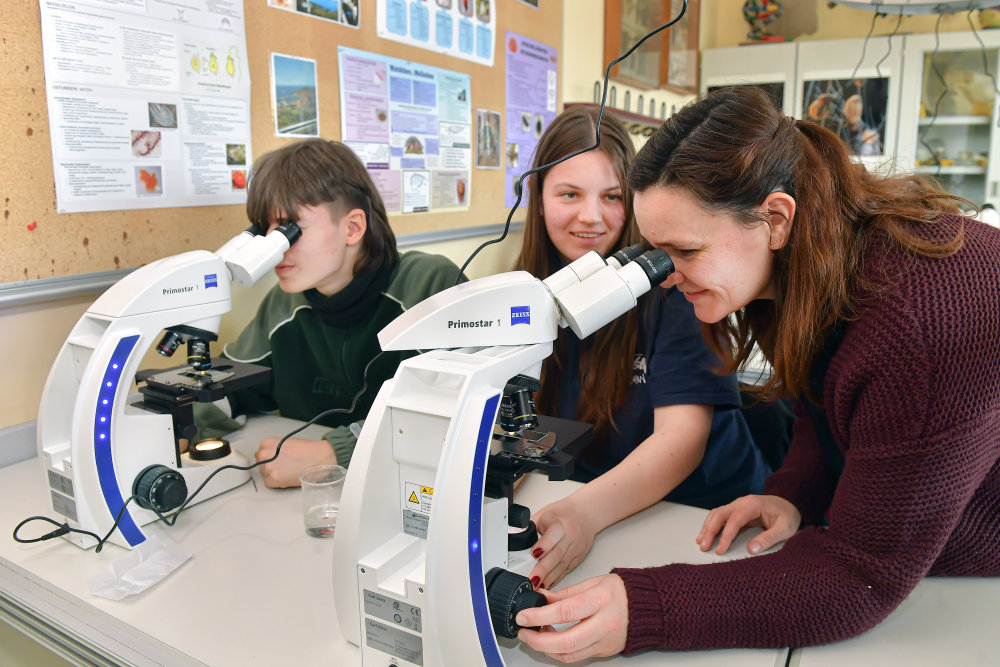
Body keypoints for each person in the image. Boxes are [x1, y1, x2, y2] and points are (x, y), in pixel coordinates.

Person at [515, 86, 1000, 661]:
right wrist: (793, 490)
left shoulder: (923, 322)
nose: (666, 276)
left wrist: (644, 606)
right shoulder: (806, 265)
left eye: (683, 252)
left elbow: (859, 576)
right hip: (911, 550)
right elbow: (824, 407)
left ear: (774, 217)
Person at [515, 106, 771, 591]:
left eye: (612, 197)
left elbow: (681, 441)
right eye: (569, 194)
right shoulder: (524, 295)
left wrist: (584, 512)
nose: (590, 216)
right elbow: (522, 425)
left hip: (705, 519)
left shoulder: (676, 288)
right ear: (539, 199)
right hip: (600, 507)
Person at [194, 138, 463, 488]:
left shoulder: (428, 284)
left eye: (290, 228)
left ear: (352, 228)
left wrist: (338, 452)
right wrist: (177, 424)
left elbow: (467, 409)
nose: (275, 250)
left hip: (410, 491)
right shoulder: (284, 304)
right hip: (312, 503)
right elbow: (228, 391)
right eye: (266, 230)